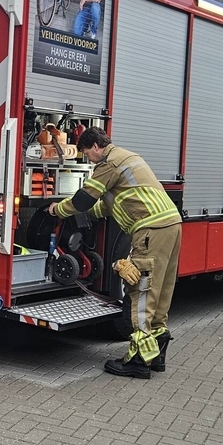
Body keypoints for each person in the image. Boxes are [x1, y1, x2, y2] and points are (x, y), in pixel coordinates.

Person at [48, 127, 181, 379]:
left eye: (87, 154)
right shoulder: (127, 157)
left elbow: (82, 200)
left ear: (97, 146)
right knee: (160, 290)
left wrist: (58, 210)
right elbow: (110, 205)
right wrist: (87, 217)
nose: (88, 160)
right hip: (170, 225)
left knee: (141, 291)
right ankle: (157, 350)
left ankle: (139, 361)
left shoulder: (108, 163)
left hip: (150, 229)